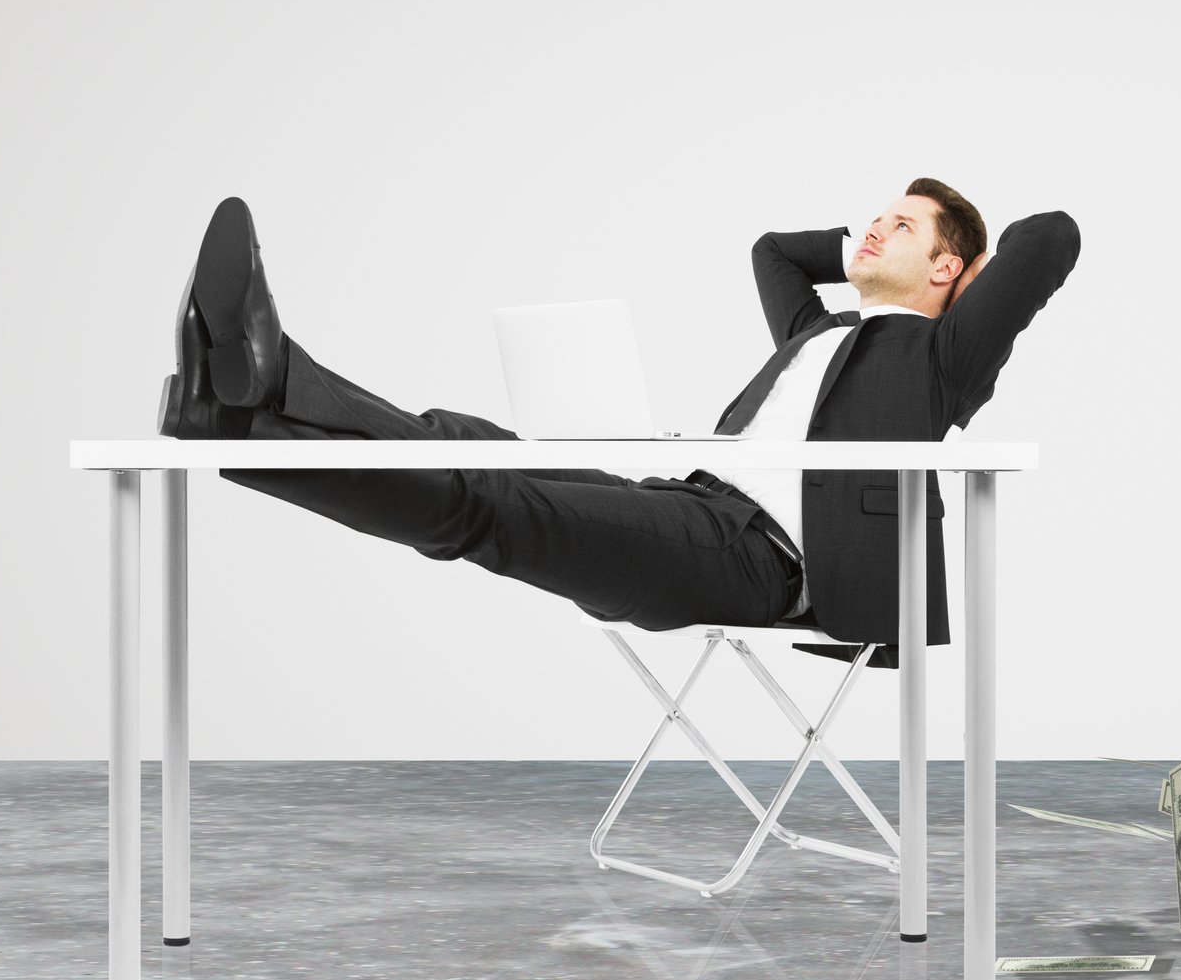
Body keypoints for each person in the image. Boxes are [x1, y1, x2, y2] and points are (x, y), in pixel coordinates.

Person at [155, 186, 1079, 663]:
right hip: (685, 504)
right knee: (467, 441)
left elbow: (1051, 236)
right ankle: (247, 396)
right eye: (870, 219)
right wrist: (874, 250)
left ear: (949, 270)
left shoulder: (943, 362)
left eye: (901, 226)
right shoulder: (817, 334)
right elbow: (771, 254)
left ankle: (241, 421)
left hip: (770, 564)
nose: (874, 230)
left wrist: (961, 279)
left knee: (493, 510)